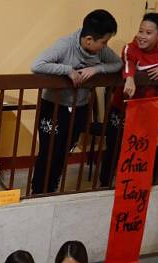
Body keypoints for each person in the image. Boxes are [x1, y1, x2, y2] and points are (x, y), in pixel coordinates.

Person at [31, 9, 122, 194]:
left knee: (64, 151)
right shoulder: (65, 45)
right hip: (54, 106)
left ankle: (51, 187)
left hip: (80, 107)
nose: (105, 46)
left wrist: (98, 69)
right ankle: (38, 191)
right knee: (48, 152)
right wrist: (67, 70)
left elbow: (118, 64)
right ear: (89, 39)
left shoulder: (101, 52)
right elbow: (37, 65)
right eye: (103, 42)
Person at [100, 12, 158, 185]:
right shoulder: (130, 47)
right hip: (122, 109)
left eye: (148, 33)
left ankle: (155, 165)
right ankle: (105, 182)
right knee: (114, 145)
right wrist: (130, 78)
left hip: (148, 110)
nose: (142, 36)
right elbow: (128, 62)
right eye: (141, 31)